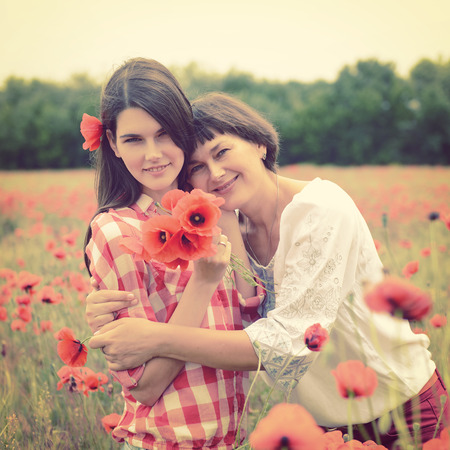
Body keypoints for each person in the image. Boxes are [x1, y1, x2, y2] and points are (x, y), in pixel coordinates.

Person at [88, 92, 448, 449]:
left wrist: (153, 337)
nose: (214, 173)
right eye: (196, 167)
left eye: (222, 152)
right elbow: (226, 324)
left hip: (405, 409)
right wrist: (105, 312)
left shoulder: (321, 209)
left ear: (259, 143)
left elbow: (293, 343)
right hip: (325, 427)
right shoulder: (226, 235)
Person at [83, 62, 263, 450]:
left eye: (164, 134)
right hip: (166, 442)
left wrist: (222, 209)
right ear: (112, 144)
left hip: (232, 439)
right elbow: (144, 386)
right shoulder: (117, 232)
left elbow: (251, 312)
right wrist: (202, 283)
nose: (153, 155)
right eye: (133, 140)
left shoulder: (209, 211)